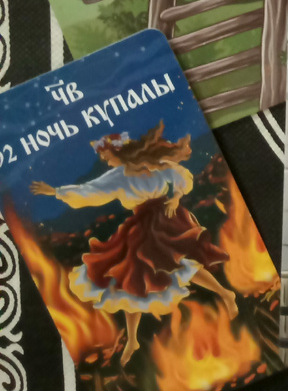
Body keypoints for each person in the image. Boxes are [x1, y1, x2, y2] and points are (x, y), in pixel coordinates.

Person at [31, 121, 236, 365]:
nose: (106, 161)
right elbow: (89, 191)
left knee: (182, 265)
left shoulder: (153, 164)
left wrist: (176, 198)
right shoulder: (116, 177)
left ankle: (225, 294)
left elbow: (180, 175)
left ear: (118, 151)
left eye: (106, 156)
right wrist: (55, 192)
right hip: (140, 227)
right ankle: (132, 339)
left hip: (167, 219)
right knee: (131, 280)